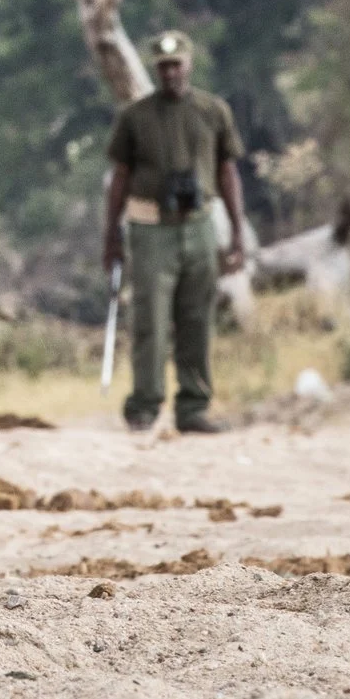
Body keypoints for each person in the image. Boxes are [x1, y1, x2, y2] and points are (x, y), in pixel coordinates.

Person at [103, 31, 246, 434]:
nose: (170, 73)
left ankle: (193, 406)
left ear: (189, 63)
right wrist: (111, 236)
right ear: (155, 69)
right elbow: (120, 177)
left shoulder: (213, 111)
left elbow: (227, 171)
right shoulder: (134, 116)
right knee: (150, 319)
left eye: (176, 64)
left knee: (197, 317)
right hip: (150, 228)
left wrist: (236, 232)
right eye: (163, 66)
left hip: (199, 225)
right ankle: (145, 406)